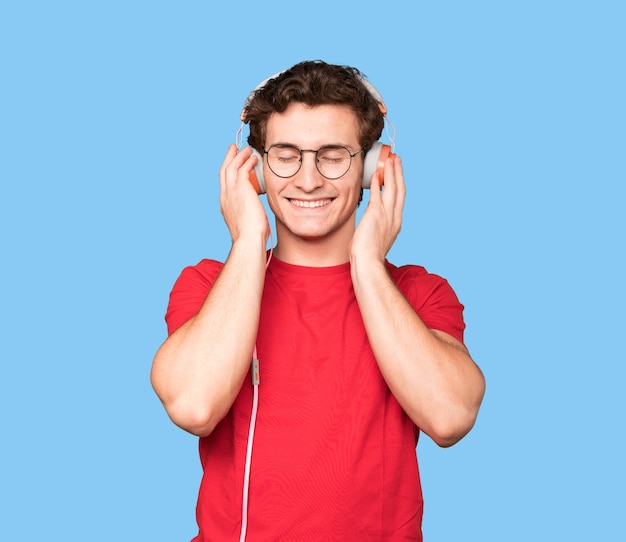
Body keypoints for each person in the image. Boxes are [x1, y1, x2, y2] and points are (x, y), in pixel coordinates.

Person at [151, 60, 485, 541]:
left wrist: (367, 262)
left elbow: (451, 418)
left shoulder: (419, 292)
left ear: (373, 167)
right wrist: (247, 238)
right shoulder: (208, 286)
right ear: (257, 170)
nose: (308, 180)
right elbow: (194, 407)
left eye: (333, 156)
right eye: (285, 155)